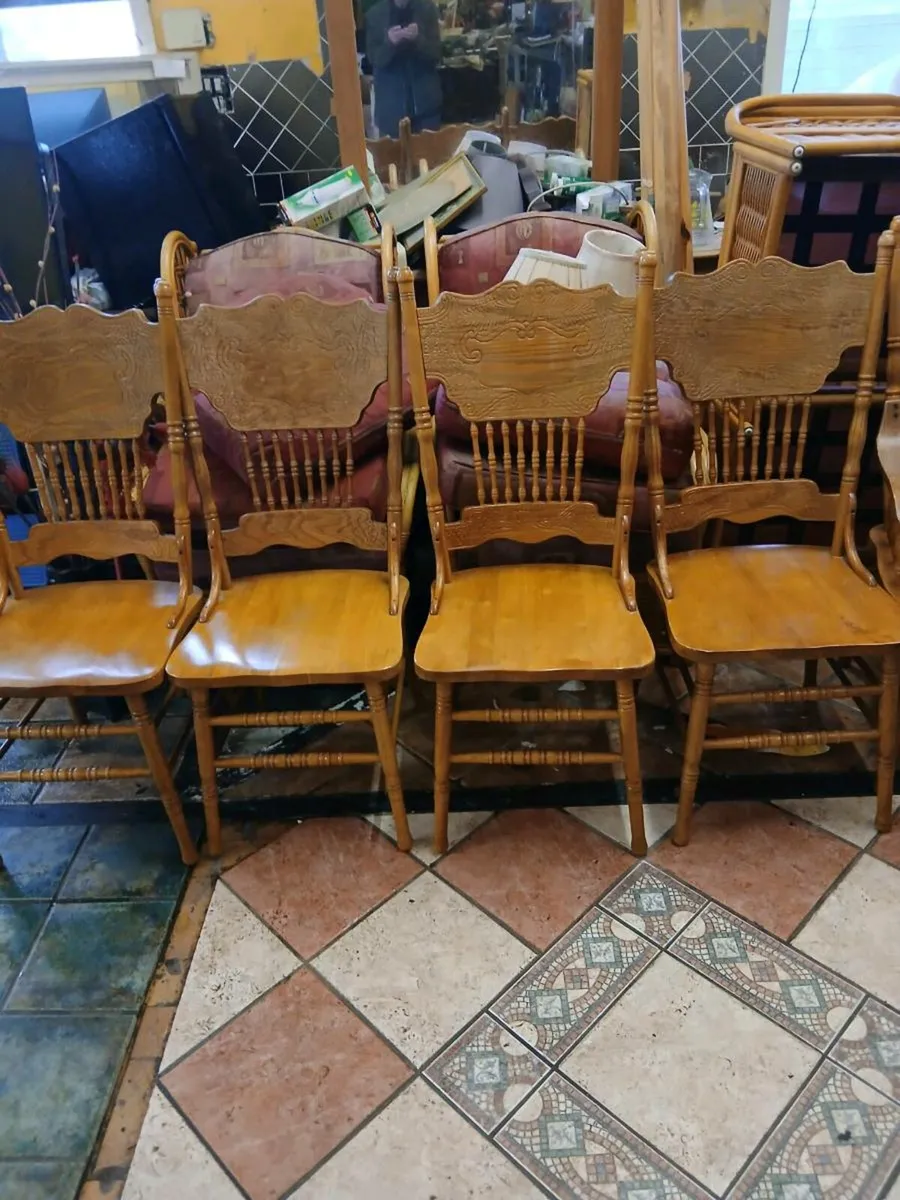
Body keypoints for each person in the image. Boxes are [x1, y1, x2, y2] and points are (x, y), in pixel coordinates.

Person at [366, 0, 442, 139]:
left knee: (431, 157)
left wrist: (418, 39)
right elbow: (374, 60)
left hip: (426, 107)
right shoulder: (375, 15)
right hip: (390, 110)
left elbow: (436, 54)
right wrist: (390, 42)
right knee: (394, 159)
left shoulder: (427, 9)